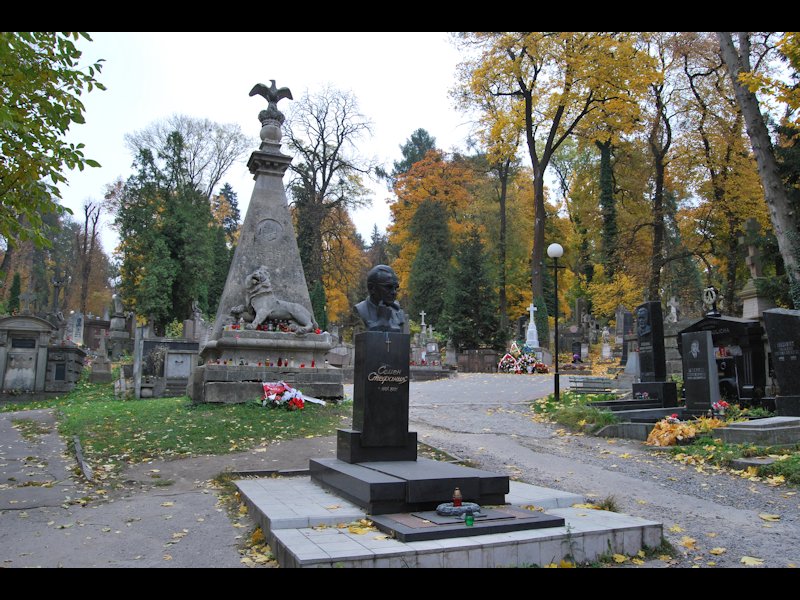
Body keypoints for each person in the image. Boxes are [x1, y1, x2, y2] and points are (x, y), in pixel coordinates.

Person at [354, 265, 406, 332]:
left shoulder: (397, 310)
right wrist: (382, 322)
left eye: (395, 288)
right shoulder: (361, 309)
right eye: (388, 287)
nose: (394, 292)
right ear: (371, 288)